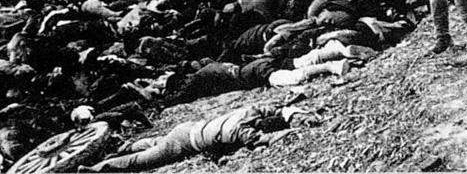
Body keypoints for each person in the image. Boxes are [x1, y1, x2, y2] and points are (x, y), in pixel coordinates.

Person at [80, 105, 306, 172]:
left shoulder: (250, 112)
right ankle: (96, 169)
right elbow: (260, 140)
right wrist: (283, 133)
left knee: (156, 142)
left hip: (188, 128)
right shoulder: (240, 131)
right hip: (185, 143)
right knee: (141, 160)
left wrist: (289, 113)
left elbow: (268, 108)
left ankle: (125, 146)